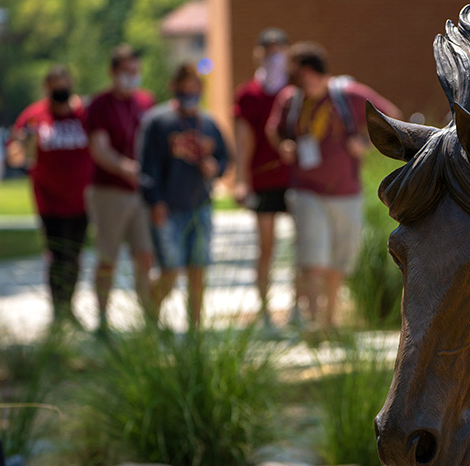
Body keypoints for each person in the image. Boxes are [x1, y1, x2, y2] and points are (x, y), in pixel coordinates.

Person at [266, 42, 401, 328]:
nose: (298, 84)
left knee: (340, 259)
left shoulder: (348, 95)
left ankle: (330, 320)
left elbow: (393, 116)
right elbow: (272, 130)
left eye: (301, 77)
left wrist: (365, 144)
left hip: (345, 192)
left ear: (316, 72)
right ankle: (313, 321)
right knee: (313, 255)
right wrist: (284, 146)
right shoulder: (291, 100)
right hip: (305, 190)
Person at [139, 63, 229, 328]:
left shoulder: (209, 123)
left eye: (194, 86)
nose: (190, 91)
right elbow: (147, 168)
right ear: (174, 87)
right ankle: (150, 322)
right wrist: (155, 201)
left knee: (198, 270)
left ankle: (195, 332)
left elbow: (225, 158)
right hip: (168, 209)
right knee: (170, 272)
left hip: (200, 206)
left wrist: (216, 167)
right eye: (184, 86)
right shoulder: (157, 122)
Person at [5, 65, 93, 327]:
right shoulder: (34, 117)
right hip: (49, 199)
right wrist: (21, 145)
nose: (60, 89)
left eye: (64, 83)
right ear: (46, 88)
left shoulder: (84, 115)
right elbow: (15, 154)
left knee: (75, 254)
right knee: (57, 254)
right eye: (54, 85)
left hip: (81, 199)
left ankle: (70, 307)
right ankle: (59, 311)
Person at [85, 44, 156, 335]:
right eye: (126, 72)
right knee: (108, 257)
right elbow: (99, 149)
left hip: (142, 194)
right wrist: (126, 168)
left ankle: (150, 319)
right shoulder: (99, 105)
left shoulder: (146, 102)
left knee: (145, 256)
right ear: (113, 72)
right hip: (109, 192)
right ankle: (102, 319)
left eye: (136, 72)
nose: (132, 77)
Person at [233, 28, 292, 326]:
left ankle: (300, 307)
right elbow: (243, 143)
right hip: (264, 178)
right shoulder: (248, 94)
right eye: (268, 51)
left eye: (279, 50)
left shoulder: (295, 89)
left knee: (302, 246)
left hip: (296, 178)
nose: (274, 56)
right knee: (266, 247)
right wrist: (241, 180)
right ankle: (265, 310)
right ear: (258, 53)